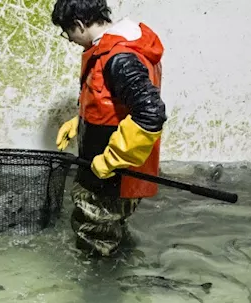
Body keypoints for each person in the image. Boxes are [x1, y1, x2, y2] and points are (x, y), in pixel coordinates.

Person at [52, 0, 166, 258]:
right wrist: (79, 123)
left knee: (94, 247)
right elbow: (114, 103)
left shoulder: (119, 57)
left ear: (79, 24)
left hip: (111, 178)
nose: (69, 39)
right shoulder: (113, 48)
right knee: (111, 232)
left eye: (67, 31)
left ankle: (95, 293)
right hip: (116, 174)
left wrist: (111, 159)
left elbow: (151, 113)